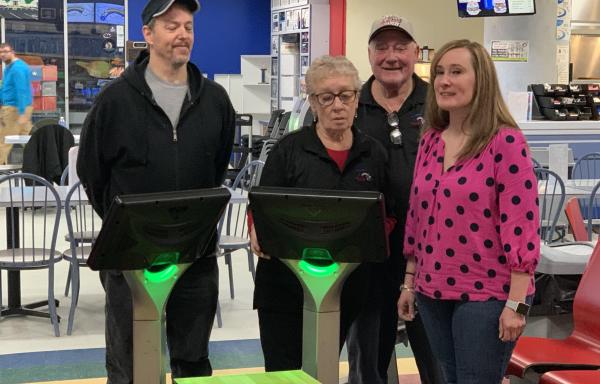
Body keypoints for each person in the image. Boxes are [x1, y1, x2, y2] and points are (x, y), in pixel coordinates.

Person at [77, 0, 235, 382]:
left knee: (193, 360)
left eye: (188, 26)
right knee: (130, 362)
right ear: (147, 34)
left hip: (196, 255)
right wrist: (126, 224)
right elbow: (92, 172)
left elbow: (216, 169)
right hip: (131, 255)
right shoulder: (115, 101)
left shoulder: (215, 101)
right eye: (171, 26)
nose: (183, 34)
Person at [398, 39, 540, 384]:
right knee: (448, 377)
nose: (444, 81)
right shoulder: (431, 138)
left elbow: (521, 227)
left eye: (457, 72)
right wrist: (409, 282)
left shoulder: (504, 142)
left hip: (488, 294)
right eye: (440, 73)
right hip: (432, 290)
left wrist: (516, 307)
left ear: (482, 81)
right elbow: (418, 218)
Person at [250, 55, 393, 372]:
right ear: (313, 103)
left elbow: (388, 213)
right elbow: (260, 207)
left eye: (346, 95)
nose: (337, 105)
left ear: (357, 99)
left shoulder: (373, 153)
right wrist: (255, 227)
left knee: (323, 365)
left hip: (345, 287)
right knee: (286, 373)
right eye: (326, 97)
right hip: (284, 289)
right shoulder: (288, 151)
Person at [350, 15, 443, 384]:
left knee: (437, 361)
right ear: (370, 53)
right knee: (368, 364)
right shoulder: (350, 105)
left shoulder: (439, 101)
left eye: (400, 47)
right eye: (382, 47)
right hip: (370, 255)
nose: (392, 56)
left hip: (432, 254)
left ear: (415, 52)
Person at [0, 42, 33, 165]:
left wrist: (22, 112)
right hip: (13, 108)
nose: (2, 55)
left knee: (3, 141)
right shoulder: (9, 68)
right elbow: (5, 88)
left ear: (12, 52)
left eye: (5, 52)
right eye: (0, 52)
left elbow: (22, 90)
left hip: (14, 109)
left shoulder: (17, 68)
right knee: (29, 140)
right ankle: (42, 162)